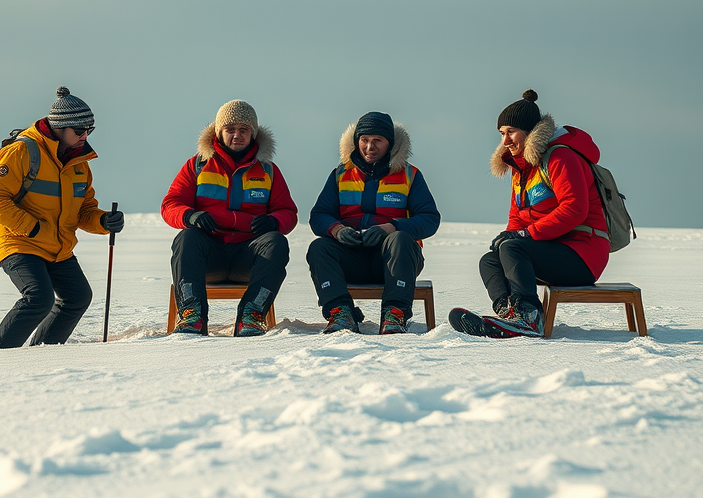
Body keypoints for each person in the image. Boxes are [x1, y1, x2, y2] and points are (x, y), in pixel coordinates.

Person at [450, 89, 610, 338]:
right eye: (502, 134)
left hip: (583, 254)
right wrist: (509, 234)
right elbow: (518, 216)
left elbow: (574, 210)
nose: (505, 140)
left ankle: (529, 317)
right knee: (490, 260)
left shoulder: (560, 157)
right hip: (551, 249)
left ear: (530, 131)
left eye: (511, 132)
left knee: (513, 248)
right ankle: (509, 313)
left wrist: (525, 235)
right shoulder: (520, 167)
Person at [0, 87, 124, 349]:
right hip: (20, 242)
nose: (85, 136)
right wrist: (32, 228)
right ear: (59, 127)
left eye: (89, 130)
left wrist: (104, 221)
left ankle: (43, 353)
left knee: (78, 296)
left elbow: (84, 209)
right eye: (79, 130)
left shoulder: (79, 163)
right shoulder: (22, 152)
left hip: (58, 247)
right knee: (38, 298)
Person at [161, 100, 298, 336]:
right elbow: (170, 205)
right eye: (230, 129)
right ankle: (191, 315)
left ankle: (252, 315)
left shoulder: (268, 171)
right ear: (218, 132)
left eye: (244, 130)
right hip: (208, 257)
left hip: (248, 256)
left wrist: (274, 222)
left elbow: (288, 212)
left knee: (276, 242)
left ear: (253, 134)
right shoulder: (197, 165)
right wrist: (191, 216)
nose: (237, 135)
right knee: (187, 238)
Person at [307, 111, 441, 335]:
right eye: (364, 140)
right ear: (356, 141)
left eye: (377, 140)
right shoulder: (340, 175)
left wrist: (392, 227)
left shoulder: (410, 175)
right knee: (319, 247)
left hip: (394, 261)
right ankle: (340, 313)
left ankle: (395, 314)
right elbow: (319, 215)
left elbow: (430, 219)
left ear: (390, 143)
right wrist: (337, 230)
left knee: (400, 239)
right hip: (351, 259)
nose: (370, 147)